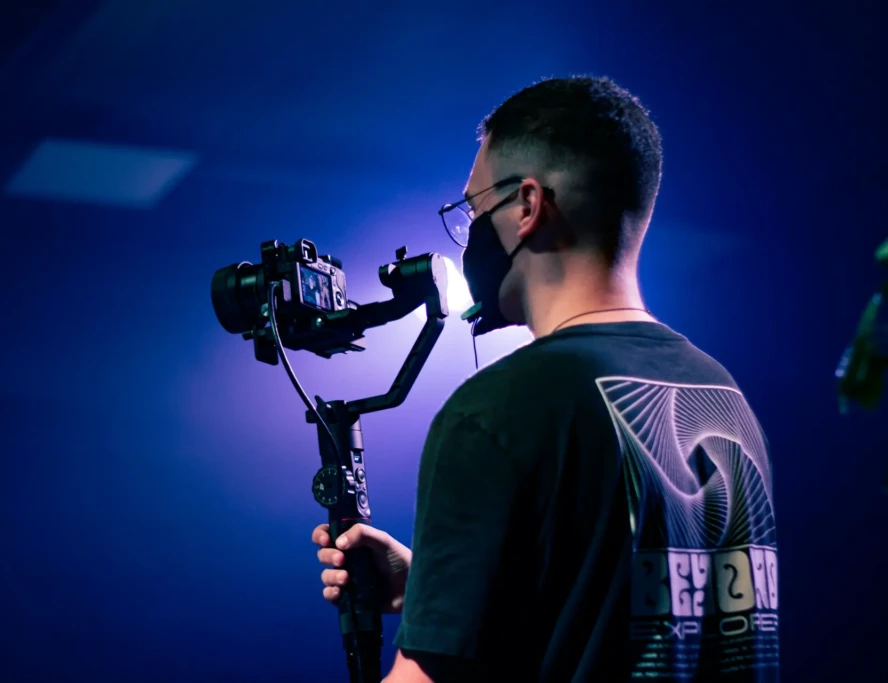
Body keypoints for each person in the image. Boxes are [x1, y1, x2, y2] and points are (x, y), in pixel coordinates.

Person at [312, 75, 779, 682]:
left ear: (528, 207)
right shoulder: (722, 396)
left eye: (475, 211)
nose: (471, 235)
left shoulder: (496, 412)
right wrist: (437, 593)